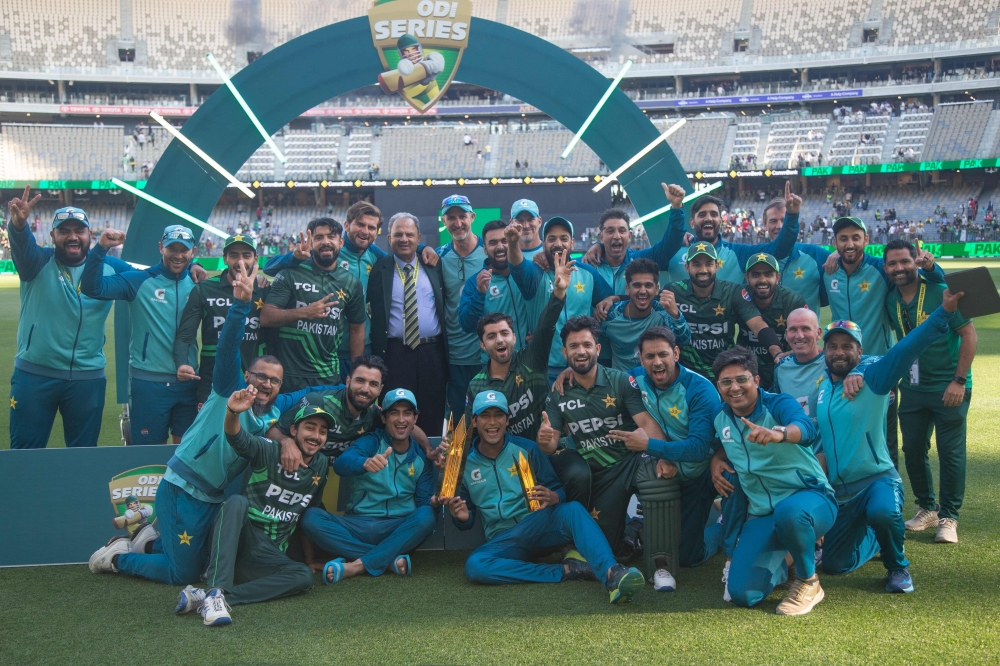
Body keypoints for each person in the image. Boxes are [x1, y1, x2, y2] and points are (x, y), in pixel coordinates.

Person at [88, 263, 338, 585]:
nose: (266, 384)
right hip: (184, 488)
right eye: (261, 376)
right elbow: (227, 347)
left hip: (213, 498)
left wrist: (349, 391)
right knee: (184, 575)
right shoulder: (227, 388)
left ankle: (151, 542)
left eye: (275, 381)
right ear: (248, 375)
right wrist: (241, 305)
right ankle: (118, 560)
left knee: (203, 559)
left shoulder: (274, 410)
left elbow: (310, 393)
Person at [439, 391, 647, 604]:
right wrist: (462, 518)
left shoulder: (527, 448)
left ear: (507, 419)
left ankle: (612, 574)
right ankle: (567, 570)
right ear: (474, 421)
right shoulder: (464, 463)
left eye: (498, 415)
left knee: (573, 509)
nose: (492, 422)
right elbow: (466, 518)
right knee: (475, 565)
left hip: (537, 526)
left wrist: (554, 496)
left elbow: (558, 489)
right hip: (504, 541)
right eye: (485, 416)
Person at [815, 290, 962, 593]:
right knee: (834, 565)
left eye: (847, 346)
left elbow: (906, 349)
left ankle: (898, 568)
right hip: (840, 492)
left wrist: (944, 312)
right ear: (824, 350)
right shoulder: (823, 386)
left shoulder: (873, 377)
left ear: (859, 350)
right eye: (832, 346)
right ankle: (873, 538)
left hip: (876, 480)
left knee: (883, 512)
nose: (839, 352)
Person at [538, 316, 679, 588]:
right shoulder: (558, 393)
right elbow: (550, 445)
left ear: (598, 349)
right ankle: (634, 531)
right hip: (600, 476)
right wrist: (544, 438)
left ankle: (662, 568)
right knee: (608, 550)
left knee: (658, 479)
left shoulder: (620, 381)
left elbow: (647, 425)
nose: (581, 351)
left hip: (631, 461)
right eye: (574, 346)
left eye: (587, 344)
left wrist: (666, 455)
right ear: (564, 352)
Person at [173, 386, 330, 627]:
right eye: (310, 427)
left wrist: (310, 558)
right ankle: (216, 590)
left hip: (270, 555)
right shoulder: (269, 449)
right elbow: (237, 438)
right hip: (241, 541)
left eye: (322, 431)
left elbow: (309, 511)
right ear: (293, 430)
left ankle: (214, 598)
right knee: (237, 502)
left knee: (303, 576)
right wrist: (232, 413)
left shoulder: (320, 465)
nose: (316, 436)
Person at [709, 347, 837, 616]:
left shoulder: (778, 403)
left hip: (809, 500)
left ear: (756, 380)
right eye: (726, 382)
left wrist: (779, 433)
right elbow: (723, 444)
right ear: (718, 386)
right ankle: (790, 556)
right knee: (743, 594)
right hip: (763, 513)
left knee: (790, 513)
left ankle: (808, 582)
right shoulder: (721, 417)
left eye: (741, 379)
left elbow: (805, 427)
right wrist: (715, 459)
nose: (734, 388)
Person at [6, 190, 131, 448]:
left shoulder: (111, 266)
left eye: (79, 230)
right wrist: (18, 225)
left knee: (82, 459)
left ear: (89, 235)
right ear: (52, 236)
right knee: (25, 456)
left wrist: (193, 267)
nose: (72, 236)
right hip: (35, 376)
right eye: (64, 231)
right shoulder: (36, 262)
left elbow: (152, 275)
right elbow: (21, 244)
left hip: (87, 379)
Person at [821, 216, 944, 466]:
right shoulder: (826, 269)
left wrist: (930, 267)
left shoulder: (881, 268)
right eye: (843, 239)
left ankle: (890, 489)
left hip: (879, 366)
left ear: (866, 239)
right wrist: (834, 255)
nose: (850, 243)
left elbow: (932, 281)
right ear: (835, 242)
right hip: (840, 364)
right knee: (841, 428)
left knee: (884, 434)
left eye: (856, 237)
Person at [884, 240, 976, 544]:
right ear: (886, 268)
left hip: (949, 385)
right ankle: (926, 507)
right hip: (912, 387)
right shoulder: (890, 299)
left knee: (950, 453)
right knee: (912, 450)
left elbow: (968, 334)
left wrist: (959, 381)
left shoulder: (939, 291)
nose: (899, 268)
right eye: (892, 264)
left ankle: (949, 516)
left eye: (904, 262)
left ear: (916, 261)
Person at [81, 224, 200, 445]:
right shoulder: (138, 280)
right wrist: (101, 248)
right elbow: (92, 288)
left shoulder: (198, 284)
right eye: (172, 248)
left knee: (185, 453)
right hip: (148, 382)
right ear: (160, 247)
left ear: (193, 251)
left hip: (189, 383)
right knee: (147, 455)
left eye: (184, 250)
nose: (178, 255)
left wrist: (195, 266)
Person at [302, 388, 436, 583]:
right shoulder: (371, 442)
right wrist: (364, 463)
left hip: (396, 529)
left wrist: (434, 502)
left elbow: (424, 504)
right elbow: (341, 464)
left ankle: (357, 565)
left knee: (427, 516)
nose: (401, 419)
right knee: (310, 518)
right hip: (358, 526)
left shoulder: (421, 458)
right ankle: (387, 560)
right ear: (383, 418)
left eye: (407, 413)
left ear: (415, 419)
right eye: (394, 413)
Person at [630, 327, 724, 580]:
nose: (657, 362)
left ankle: (722, 526)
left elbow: (697, 449)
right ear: (640, 359)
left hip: (699, 474)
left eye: (663, 354)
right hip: (667, 472)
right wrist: (569, 372)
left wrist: (651, 447)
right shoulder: (634, 379)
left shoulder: (699, 389)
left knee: (687, 556)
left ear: (676, 353)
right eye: (649, 356)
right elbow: (602, 377)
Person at [261, 217, 365, 392]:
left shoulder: (351, 282)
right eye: (318, 238)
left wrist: (356, 370)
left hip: (328, 376)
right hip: (288, 375)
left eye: (331, 237)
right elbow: (266, 317)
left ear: (340, 242)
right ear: (310, 242)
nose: (325, 242)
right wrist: (304, 312)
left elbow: (356, 329)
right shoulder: (290, 273)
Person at [368, 212, 449, 434]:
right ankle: (398, 462)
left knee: (432, 410)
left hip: (432, 351)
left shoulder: (433, 264)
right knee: (397, 411)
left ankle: (431, 460)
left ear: (419, 237)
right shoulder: (379, 269)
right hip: (395, 352)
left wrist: (425, 250)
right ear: (389, 238)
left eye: (409, 234)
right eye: (398, 234)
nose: (404, 239)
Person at [507, 216, 614, 379]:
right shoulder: (535, 273)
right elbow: (516, 264)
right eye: (551, 239)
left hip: (582, 365)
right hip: (544, 367)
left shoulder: (588, 273)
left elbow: (609, 299)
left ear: (572, 243)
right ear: (543, 245)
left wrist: (609, 300)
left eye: (564, 238)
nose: (558, 243)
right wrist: (513, 243)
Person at [174, 234, 272, 405]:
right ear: (225, 258)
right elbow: (184, 335)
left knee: (253, 431)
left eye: (246, 255)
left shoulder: (265, 289)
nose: (240, 261)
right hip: (212, 380)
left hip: (256, 380)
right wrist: (182, 363)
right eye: (234, 255)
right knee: (212, 432)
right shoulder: (205, 289)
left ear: (255, 259)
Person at [664, 242, 784, 380]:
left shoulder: (733, 292)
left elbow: (758, 325)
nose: (703, 270)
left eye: (708, 263)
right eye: (696, 264)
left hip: (724, 370)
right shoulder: (673, 291)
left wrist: (777, 353)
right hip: (685, 372)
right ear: (687, 267)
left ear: (716, 266)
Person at [663, 181, 801, 284]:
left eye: (713, 214)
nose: (708, 218)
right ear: (692, 222)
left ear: (721, 221)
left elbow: (779, 250)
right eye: (702, 214)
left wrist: (792, 216)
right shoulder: (675, 251)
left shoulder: (738, 254)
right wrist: (676, 208)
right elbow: (647, 260)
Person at [578, 184, 688, 292]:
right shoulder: (587, 265)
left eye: (622, 230)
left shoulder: (640, 260)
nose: (617, 236)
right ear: (601, 237)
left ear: (630, 236)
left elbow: (670, 244)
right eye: (610, 231)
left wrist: (677, 208)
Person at [435, 194, 488, 420]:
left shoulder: (491, 251)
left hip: (487, 354)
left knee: (489, 415)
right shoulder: (438, 257)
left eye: (462, 216)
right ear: (443, 221)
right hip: (455, 355)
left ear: (472, 217)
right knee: (459, 420)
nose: (458, 223)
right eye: (451, 218)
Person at [773, 308, 865, 425]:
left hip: (833, 441)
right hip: (797, 440)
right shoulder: (781, 368)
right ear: (786, 334)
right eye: (793, 329)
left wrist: (858, 370)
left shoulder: (835, 361)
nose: (799, 336)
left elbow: (874, 360)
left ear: (818, 333)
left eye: (806, 328)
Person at [601, 258, 690, 371]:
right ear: (627, 289)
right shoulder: (609, 315)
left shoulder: (663, 312)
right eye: (637, 285)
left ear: (657, 289)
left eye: (648, 285)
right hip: (621, 382)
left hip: (655, 381)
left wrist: (675, 314)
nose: (643, 291)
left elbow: (684, 340)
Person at [458, 220, 531, 357]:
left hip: (529, 360)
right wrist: (480, 293)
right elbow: (466, 325)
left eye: (505, 240)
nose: (500, 247)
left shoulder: (526, 272)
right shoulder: (475, 282)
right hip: (496, 364)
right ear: (485, 249)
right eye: (493, 243)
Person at [736, 253, 806, 390]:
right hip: (747, 367)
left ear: (777, 277)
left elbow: (808, 337)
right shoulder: (739, 296)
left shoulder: (793, 301)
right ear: (747, 278)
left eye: (768, 274)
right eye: (756, 275)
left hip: (785, 367)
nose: (762, 280)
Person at [760, 197, 830, 313]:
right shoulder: (757, 258)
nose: (780, 226)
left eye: (784, 220)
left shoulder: (814, 254)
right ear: (764, 224)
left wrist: (838, 254)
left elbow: (849, 263)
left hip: (803, 330)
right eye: (773, 221)